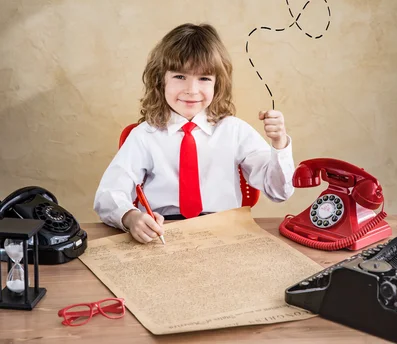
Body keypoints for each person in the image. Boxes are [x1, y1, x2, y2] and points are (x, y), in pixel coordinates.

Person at [94, 23, 295, 244]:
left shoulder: (235, 131)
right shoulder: (144, 136)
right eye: (180, 76)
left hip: (226, 234)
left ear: (218, 84)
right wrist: (130, 217)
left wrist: (279, 143)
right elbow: (108, 194)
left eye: (204, 78)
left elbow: (279, 192)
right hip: (164, 234)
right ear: (161, 79)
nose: (191, 90)